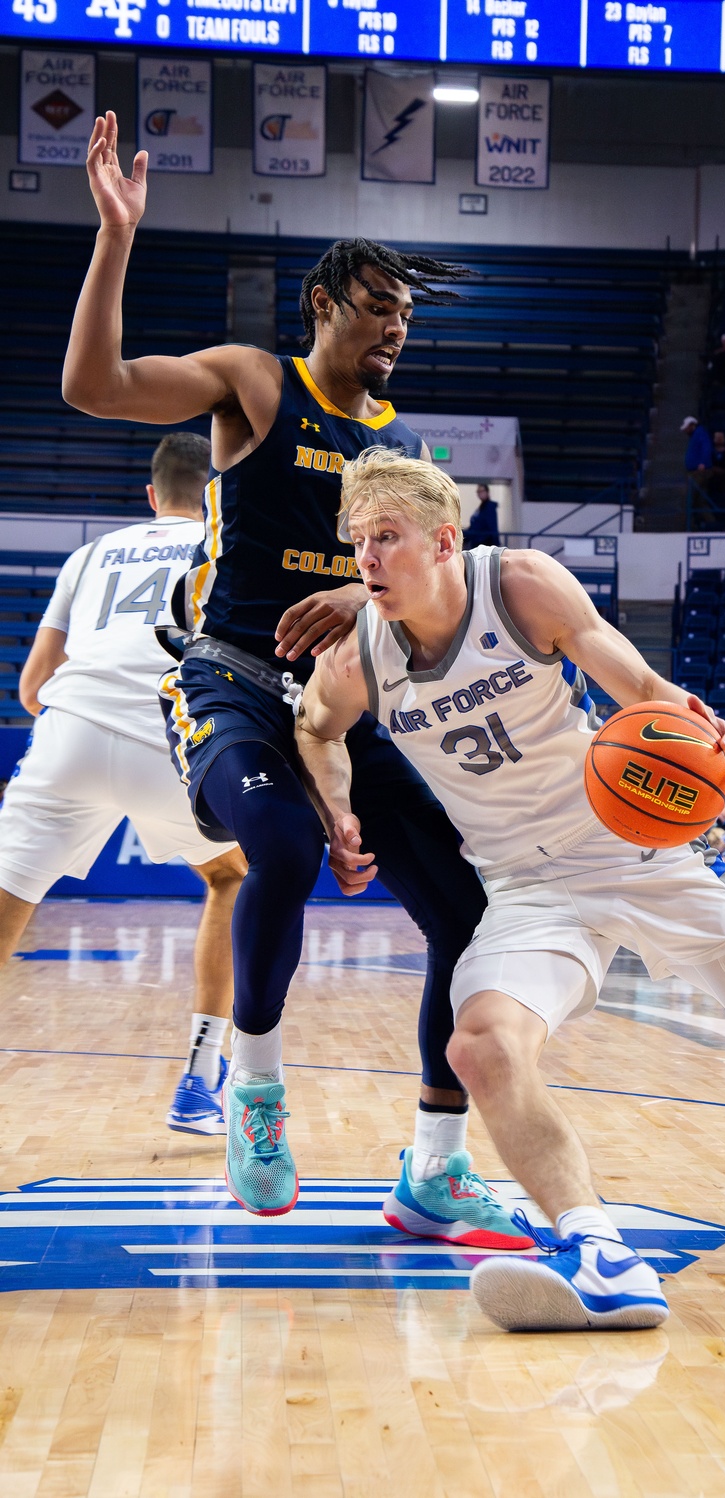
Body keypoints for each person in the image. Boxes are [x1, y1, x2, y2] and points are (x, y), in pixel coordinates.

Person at [295, 447, 725, 1333]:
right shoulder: (360, 662)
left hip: (635, 848)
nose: (368, 560)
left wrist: (705, 727)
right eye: (357, 543)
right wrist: (337, 812)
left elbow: (639, 686)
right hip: (527, 884)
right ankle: (597, 1252)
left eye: (386, 537)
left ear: (445, 541)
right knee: (483, 1048)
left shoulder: (521, 586)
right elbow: (315, 730)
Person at [61, 111, 529, 1245]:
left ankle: (433, 1165)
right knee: (280, 850)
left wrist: (370, 597)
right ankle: (256, 1099)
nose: (396, 330)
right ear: (324, 305)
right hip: (226, 685)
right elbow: (94, 387)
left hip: (350, 704)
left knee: (465, 907)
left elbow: (432, 594)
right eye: (379, 308)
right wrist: (116, 237)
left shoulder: (400, 449)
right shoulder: (254, 385)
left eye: (407, 316)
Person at [0, 434, 247, 1134]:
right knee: (233, 878)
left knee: (5, 906)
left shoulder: (91, 553)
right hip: (168, 732)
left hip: (68, 727)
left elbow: (30, 687)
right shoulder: (224, 544)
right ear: (212, 492)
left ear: (150, 495)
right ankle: (201, 1080)